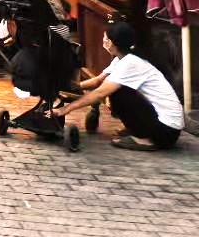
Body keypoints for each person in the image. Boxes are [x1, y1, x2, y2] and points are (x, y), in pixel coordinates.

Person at [54, 21, 184, 151]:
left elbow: (100, 92)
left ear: (110, 43)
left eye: (104, 37)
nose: (103, 40)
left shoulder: (130, 63)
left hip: (167, 131)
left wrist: (66, 109)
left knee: (117, 93)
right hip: (166, 127)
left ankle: (147, 140)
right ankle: (139, 130)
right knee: (117, 88)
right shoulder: (122, 58)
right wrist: (70, 86)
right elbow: (98, 81)